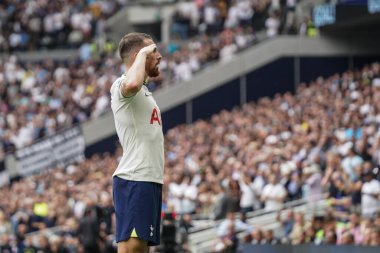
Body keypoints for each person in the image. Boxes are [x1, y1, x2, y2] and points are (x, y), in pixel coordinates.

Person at [110, 32, 164, 253]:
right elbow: (132, 82)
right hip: (135, 178)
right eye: (154, 52)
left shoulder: (145, 93)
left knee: (140, 249)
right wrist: (143, 52)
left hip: (149, 179)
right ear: (138, 56)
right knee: (132, 249)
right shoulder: (122, 85)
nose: (159, 56)